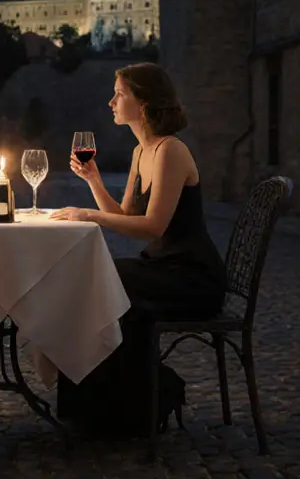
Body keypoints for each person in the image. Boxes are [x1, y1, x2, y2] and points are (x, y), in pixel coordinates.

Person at [49, 62, 226, 438]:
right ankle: (93, 408)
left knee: (96, 279)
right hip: (161, 266)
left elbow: (153, 227)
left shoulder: (170, 151)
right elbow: (127, 215)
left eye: (120, 94)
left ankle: (141, 399)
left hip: (190, 276)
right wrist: (94, 181)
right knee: (87, 277)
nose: (111, 101)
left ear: (143, 104)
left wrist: (89, 216)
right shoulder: (141, 152)